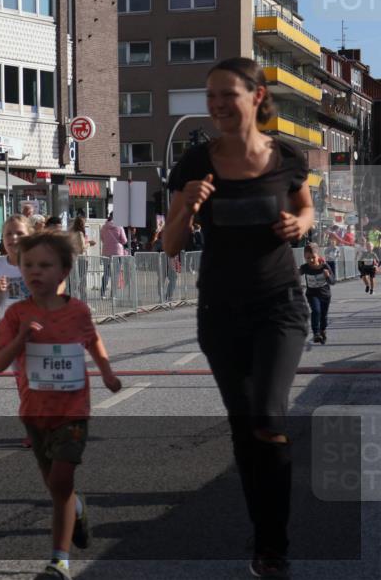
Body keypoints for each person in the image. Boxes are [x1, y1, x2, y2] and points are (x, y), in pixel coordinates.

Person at [164, 57, 314, 578]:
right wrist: (187, 206)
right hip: (219, 312)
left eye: (228, 94)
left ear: (257, 95)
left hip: (279, 306)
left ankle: (273, 544)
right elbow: (170, 246)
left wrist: (301, 225)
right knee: (245, 427)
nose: (218, 105)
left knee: (268, 420)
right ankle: (263, 534)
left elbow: (306, 208)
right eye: (211, 96)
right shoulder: (195, 163)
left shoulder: (287, 156)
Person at [0, 231, 121, 579]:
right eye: (28, 264)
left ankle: (58, 561)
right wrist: (20, 339)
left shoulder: (78, 311)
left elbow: (93, 341)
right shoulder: (17, 314)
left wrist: (107, 372)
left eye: (45, 265)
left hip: (72, 410)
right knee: (57, 488)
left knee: (62, 479)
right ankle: (76, 508)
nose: (35, 271)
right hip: (35, 411)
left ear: (64, 271)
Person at [0, 215, 32, 316]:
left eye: (20, 233)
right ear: (3, 239)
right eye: (8, 234)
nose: (14, 237)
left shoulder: (40, 264)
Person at [299, 243, 333, 343]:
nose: (311, 260)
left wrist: (327, 276)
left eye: (313, 257)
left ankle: (323, 330)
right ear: (305, 257)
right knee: (316, 311)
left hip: (325, 294)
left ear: (318, 255)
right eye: (308, 258)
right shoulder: (305, 267)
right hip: (312, 294)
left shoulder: (324, 266)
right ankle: (316, 333)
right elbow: (295, 275)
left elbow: (332, 281)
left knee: (323, 315)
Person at [99, 213, 127, 298]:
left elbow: (102, 239)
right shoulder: (119, 226)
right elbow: (124, 240)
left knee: (106, 273)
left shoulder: (103, 227)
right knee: (116, 274)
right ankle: (113, 294)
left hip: (106, 252)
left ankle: (102, 293)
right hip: (117, 253)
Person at [69, 217, 96, 300]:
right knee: (82, 282)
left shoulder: (71, 232)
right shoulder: (80, 233)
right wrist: (89, 243)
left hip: (73, 258)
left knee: (73, 282)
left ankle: (74, 301)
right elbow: (82, 248)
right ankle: (83, 302)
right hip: (82, 259)